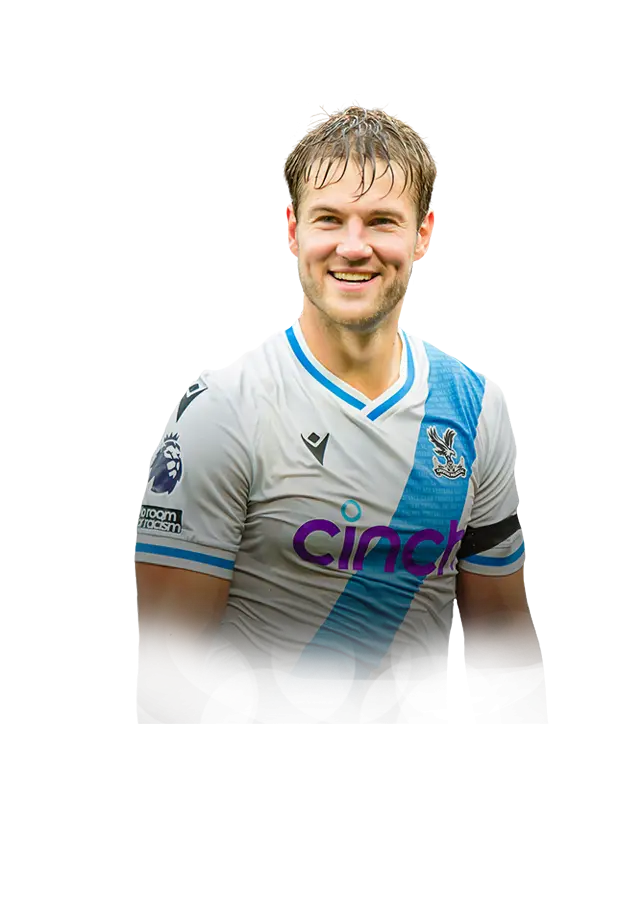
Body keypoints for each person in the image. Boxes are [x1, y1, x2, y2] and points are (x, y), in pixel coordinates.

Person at [135, 104, 547, 726]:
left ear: (423, 233)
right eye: (329, 219)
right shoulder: (223, 408)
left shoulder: (475, 406)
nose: (354, 248)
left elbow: (501, 630)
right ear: (293, 229)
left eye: (382, 221)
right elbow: (167, 657)